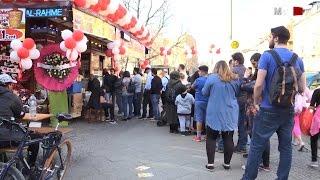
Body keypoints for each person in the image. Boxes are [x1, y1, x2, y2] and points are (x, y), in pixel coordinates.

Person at [243, 26, 306, 180]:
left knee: (257, 146)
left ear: (276, 38)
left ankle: (249, 178)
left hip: (267, 109)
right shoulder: (297, 59)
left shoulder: (267, 56)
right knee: (286, 148)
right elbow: (303, 88)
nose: (269, 39)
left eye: (270, 36)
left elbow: (258, 85)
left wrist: (257, 102)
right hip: (287, 110)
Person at [202, 61, 240, 170]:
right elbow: (237, 93)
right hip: (230, 111)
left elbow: (205, 92)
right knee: (228, 137)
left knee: (211, 137)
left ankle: (210, 164)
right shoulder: (234, 79)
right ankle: (227, 164)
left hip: (214, 110)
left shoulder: (212, 78)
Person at [0, 74, 38, 167]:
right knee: (35, 137)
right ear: (8, 85)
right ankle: (30, 167)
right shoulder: (11, 97)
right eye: (11, 85)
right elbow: (21, 114)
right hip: (5, 138)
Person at [241, 53, 270, 172]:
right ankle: (264, 163)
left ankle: (258, 163)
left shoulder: (261, 76)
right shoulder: (266, 74)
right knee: (262, 136)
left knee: (256, 137)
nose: (253, 65)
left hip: (255, 109)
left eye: (254, 62)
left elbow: (244, 86)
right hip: (259, 108)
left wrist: (245, 77)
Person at [232, 52, 248, 154]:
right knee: (243, 123)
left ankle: (224, 145)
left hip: (236, 99)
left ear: (236, 61)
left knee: (234, 123)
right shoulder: (246, 69)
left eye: (233, 60)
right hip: (245, 99)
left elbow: (232, 85)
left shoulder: (234, 70)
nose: (232, 62)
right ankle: (242, 145)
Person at [192, 65, 209, 142]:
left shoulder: (198, 80)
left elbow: (192, 87)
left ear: (202, 71)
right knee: (207, 119)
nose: (198, 72)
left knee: (199, 119)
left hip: (199, 101)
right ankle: (207, 135)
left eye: (199, 71)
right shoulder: (209, 79)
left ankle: (198, 136)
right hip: (208, 101)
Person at [308, 88, 320, 168]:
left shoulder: (317, 91)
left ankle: (314, 161)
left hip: (318, 117)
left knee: (314, 139)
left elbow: (311, 106)